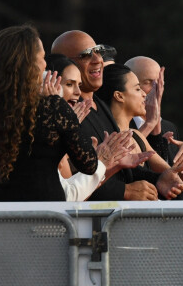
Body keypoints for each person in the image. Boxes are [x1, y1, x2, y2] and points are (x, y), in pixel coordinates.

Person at [0, 24, 99, 201]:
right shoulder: (52, 107)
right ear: (29, 64)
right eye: (43, 58)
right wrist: (58, 107)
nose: (45, 64)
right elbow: (89, 164)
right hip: (46, 214)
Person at [51, 30, 183, 200]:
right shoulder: (62, 114)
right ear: (64, 64)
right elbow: (69, 183)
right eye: (86, 55)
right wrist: (124, 191)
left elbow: (123, 170)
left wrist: (158, 180)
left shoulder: (100, 104)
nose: (98, 59)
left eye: (98, 51)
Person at [45, 54, 153, 201]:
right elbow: (69, 195)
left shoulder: (97, 112)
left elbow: (80, 190)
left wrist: (109, 165)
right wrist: (102, 162)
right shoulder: (40, 135)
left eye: (79, 85)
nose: (78, 92)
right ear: (48, 84)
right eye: (70, 84)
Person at [98, 64, 183, 187]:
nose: (145, 94)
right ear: (119, 96)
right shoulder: (104, 138)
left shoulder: (138, 136)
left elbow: (175, 183)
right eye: (138, 89)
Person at [125, 56, 183, 173]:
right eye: (148, 83)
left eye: (159, 83)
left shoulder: (169, 128)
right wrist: (150, 124)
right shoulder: (120, 123)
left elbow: (174, 183)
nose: (157, 90)